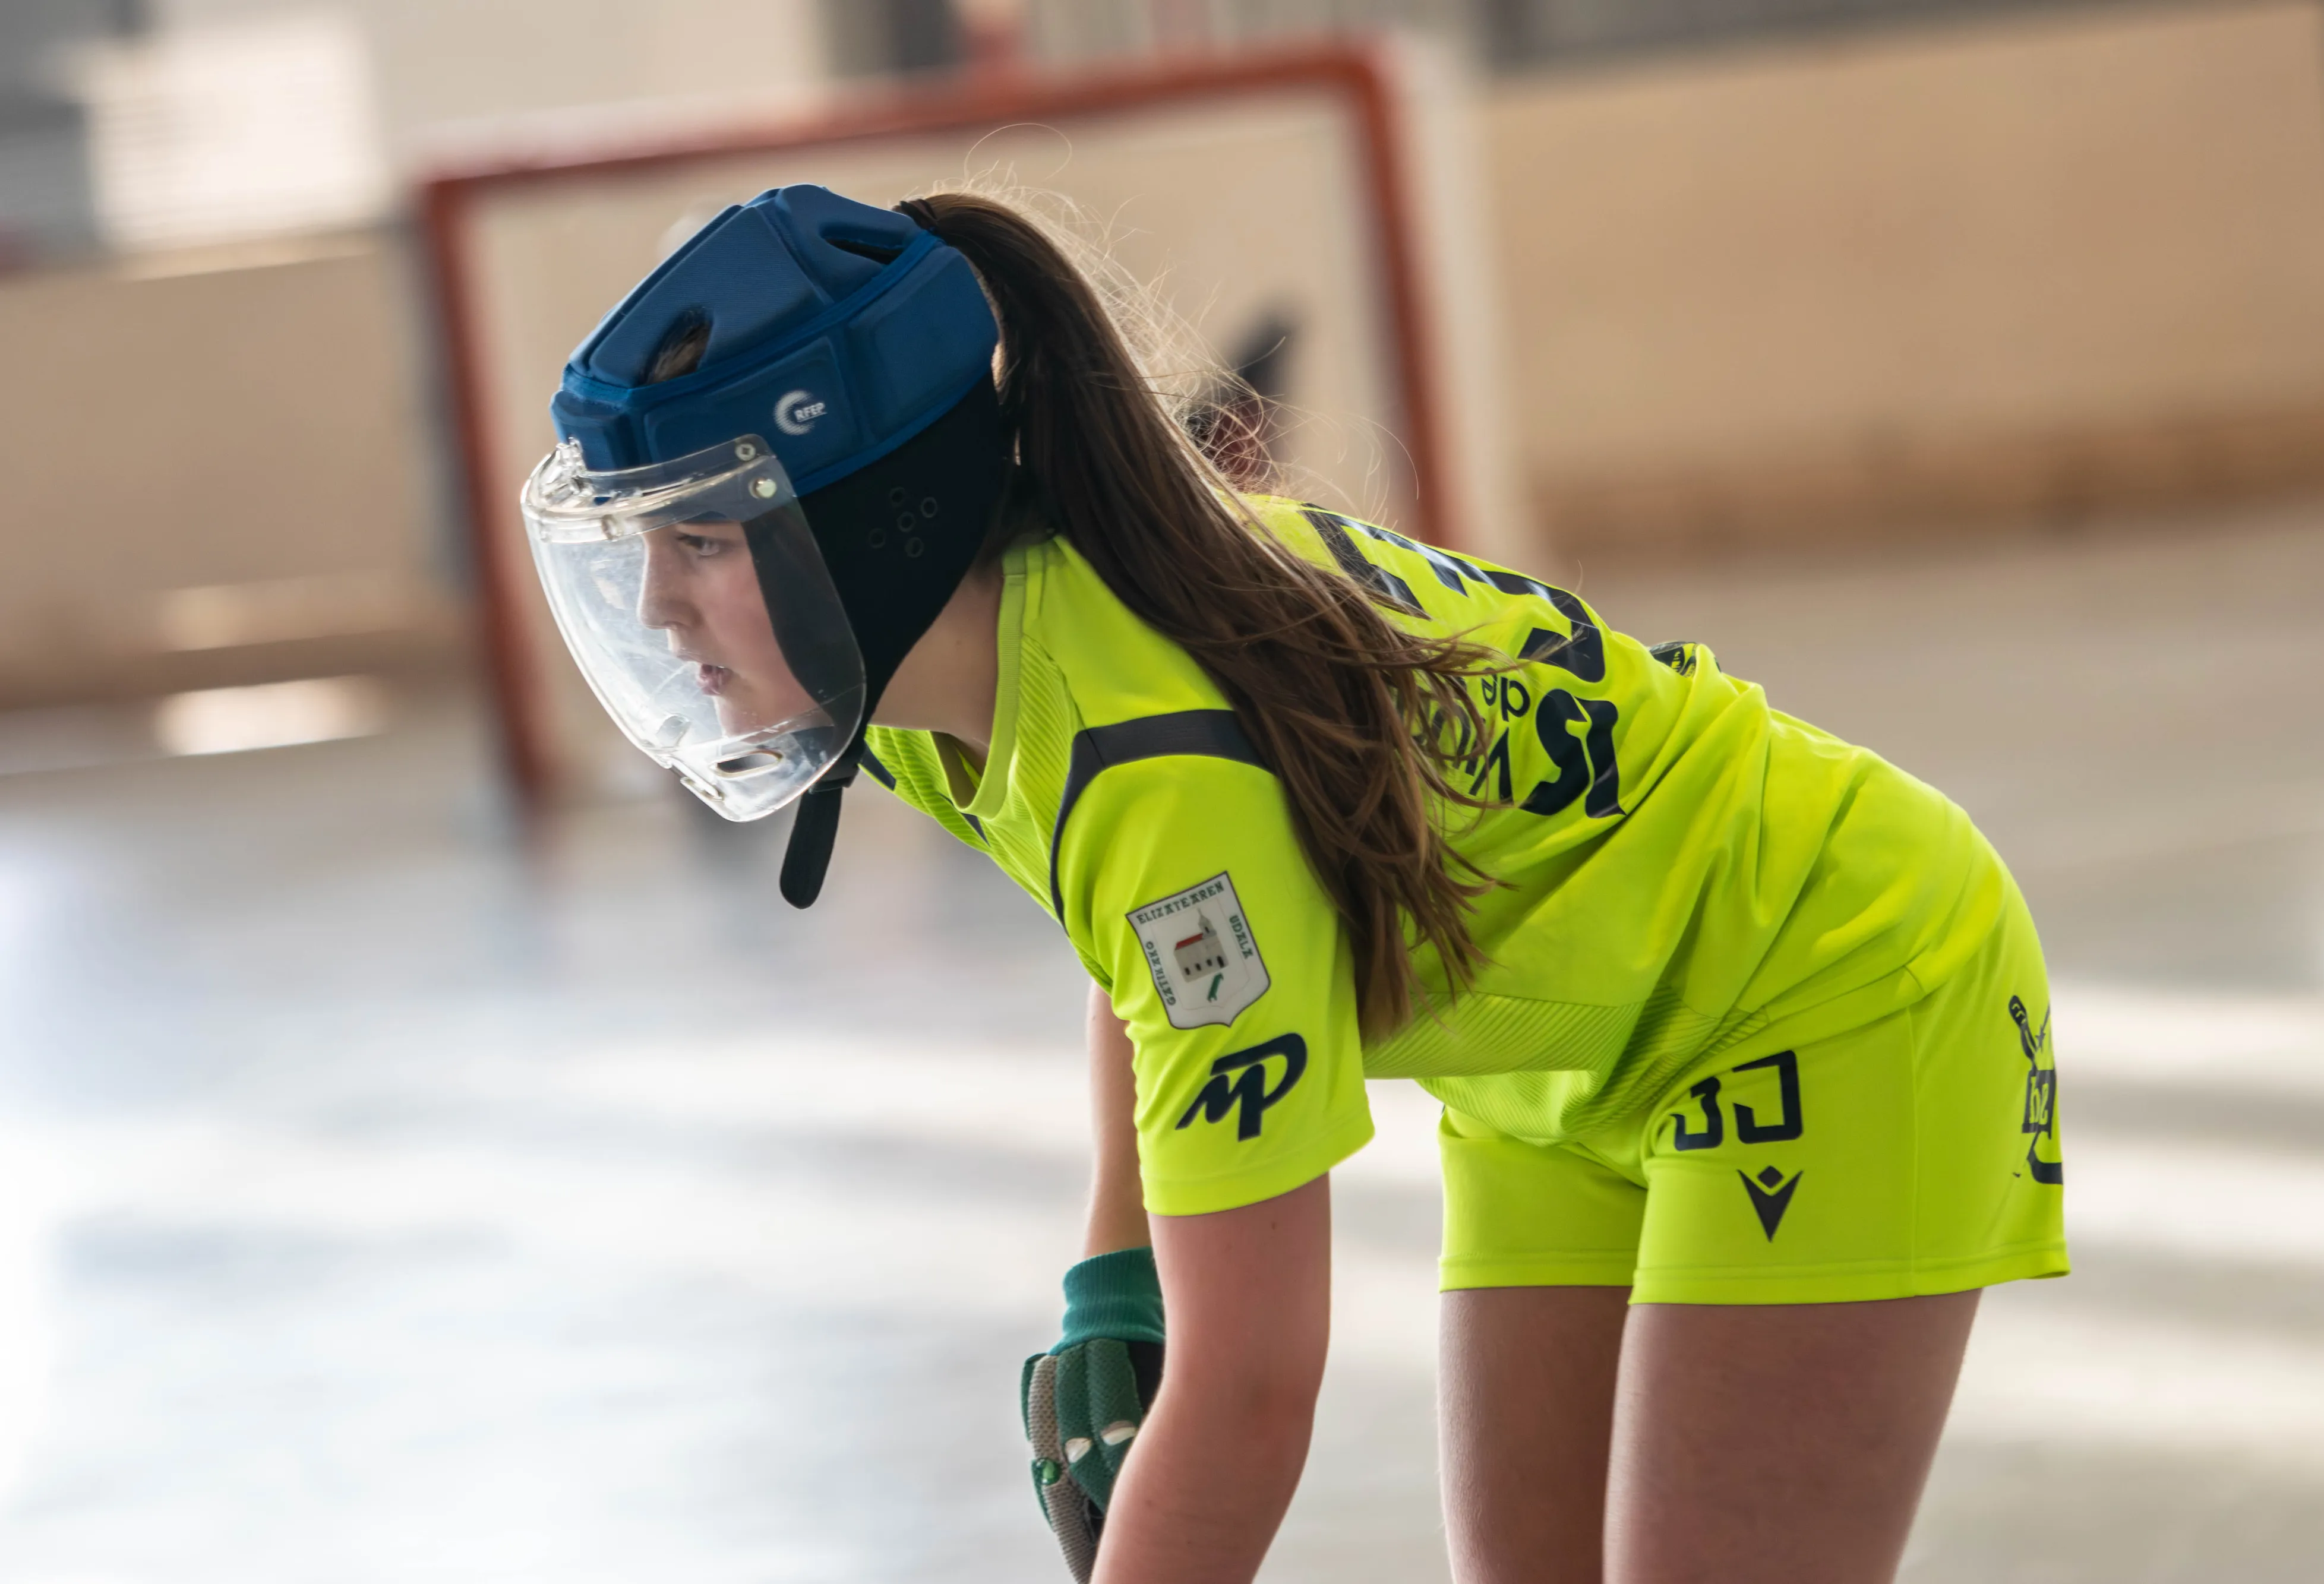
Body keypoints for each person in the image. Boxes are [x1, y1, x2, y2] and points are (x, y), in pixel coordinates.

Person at [519, 183, 2066, 1584]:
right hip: (1566, 1053)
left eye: (700, 543)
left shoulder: (1149, 763)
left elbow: (1252, 1391)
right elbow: (1146, 948)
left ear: (877, 526)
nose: (655, 610)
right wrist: (1114, 1280)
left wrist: (1149, 1343)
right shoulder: (944, 680)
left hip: (1823, 982)